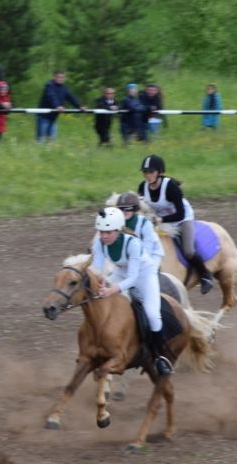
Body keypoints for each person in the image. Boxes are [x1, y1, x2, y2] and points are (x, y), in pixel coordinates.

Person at [91, 207, 172, 376]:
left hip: (144, 275)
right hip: (121, 272)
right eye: (101, 232)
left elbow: (133, 278)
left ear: (118, 229)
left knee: (152, 314)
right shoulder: (100, 242)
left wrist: (112, 289)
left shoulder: (132, 243)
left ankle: (161, 358)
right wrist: (101, 281)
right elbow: (97, 268)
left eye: (108, 232)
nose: (104, 236)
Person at [137, 155, 213, 294]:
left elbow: (181, 214)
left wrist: (160, 219)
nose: (148, 175)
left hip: (182, 219)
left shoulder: (170, 187)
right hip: (159, 219)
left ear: (159, 172)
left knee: (188, 250)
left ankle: (205, 275)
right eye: (145, 172)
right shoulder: (143, 187)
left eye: (151, 172)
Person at [115, 191, 165, 263]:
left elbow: (147, 250)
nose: (125, 211)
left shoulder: (145, 224)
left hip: (152, 254)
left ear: (135, 209)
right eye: (121, 209)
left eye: (128, 208)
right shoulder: (116, 221)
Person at [36, 71, 82, 142]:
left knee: (52, 141)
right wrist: (57, 106)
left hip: (53, 118)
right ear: (54, 77)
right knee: (41, 140)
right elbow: (51, 96)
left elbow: (71, 97)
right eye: (59, 77)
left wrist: (80, 106)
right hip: (43, 117)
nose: (61, 79)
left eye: (62, 77)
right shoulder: (49, 86)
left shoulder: (64, 88)